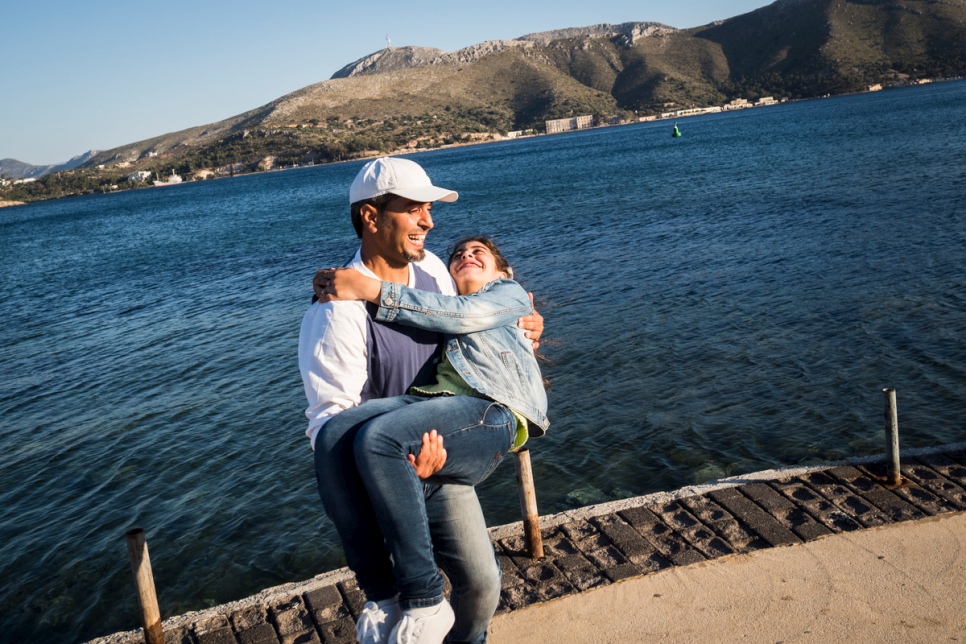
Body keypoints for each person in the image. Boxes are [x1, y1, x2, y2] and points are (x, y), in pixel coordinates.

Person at [298, 157, 544, 644]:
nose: (429, 223)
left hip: (444, 433)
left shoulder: (432, 270)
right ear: (371, 217)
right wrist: (405, 462)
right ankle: (387, 598)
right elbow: (330, 419)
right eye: (414, 210)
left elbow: (473, 315)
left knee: (481, 584)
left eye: (429, 210)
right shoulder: (335, 314)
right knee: (333, 437)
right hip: (392, 455)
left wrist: (526, 326)